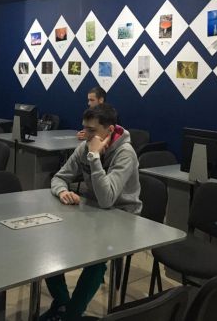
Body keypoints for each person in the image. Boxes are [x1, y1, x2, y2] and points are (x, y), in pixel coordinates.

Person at [40, 103, 141, 321]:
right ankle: (62, 303)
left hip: (123, 217)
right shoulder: (85, 147)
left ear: (109, 130)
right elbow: (59, 177)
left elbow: (107, 199)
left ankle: (71, 315)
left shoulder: (125, 153)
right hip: (92, 212)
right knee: (50, 243)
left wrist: (94, 158)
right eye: (84, 128)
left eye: (92, 130)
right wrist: (62, 191)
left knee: (97, 259)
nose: (85, 134)